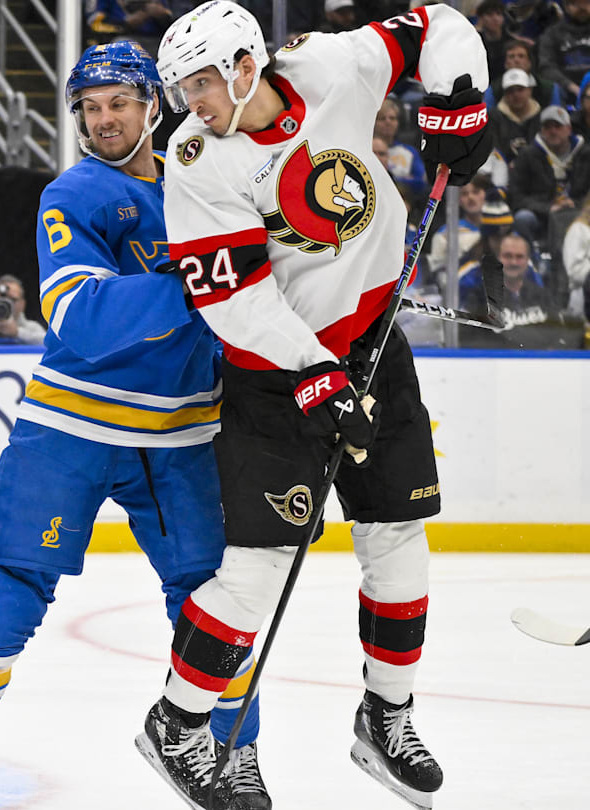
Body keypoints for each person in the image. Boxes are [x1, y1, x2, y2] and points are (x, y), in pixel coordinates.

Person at [149, 2, 491, 807]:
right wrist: (311, 372)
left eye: (201, 81)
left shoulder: (329, 66)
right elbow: (232, 298)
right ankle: (176, 722)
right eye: (181, 88)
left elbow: (431, 25)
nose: (190, 102)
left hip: (372, 343)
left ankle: (388, 714)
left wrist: (457, 97)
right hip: (274, 375)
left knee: (399, 533)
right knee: (258, 569)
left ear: (244, 65)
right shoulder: (197, 159)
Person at [0, 42, 266, 810]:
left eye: (118, 104)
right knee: (9, 590)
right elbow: (82, 317)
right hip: (70, 426)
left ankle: (235, 757)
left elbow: (260, 291)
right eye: (89, 108)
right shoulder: (73, 193)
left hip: (179, 435)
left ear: (152, 106)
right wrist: (208, 281)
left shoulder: (204, 183)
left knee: (218, 599)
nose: (103, 120)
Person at [509, 105, 581, 239]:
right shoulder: (527, 155)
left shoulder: (583, 154)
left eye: (558, 126)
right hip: (541, 215)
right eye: (547, 127)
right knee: (523, 218)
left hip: (579, 214)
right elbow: (517, 197)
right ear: (541, 130)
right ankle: (529, 257)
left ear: (569, 129)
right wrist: (548, 208)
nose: (553, 131)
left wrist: (575, 204)